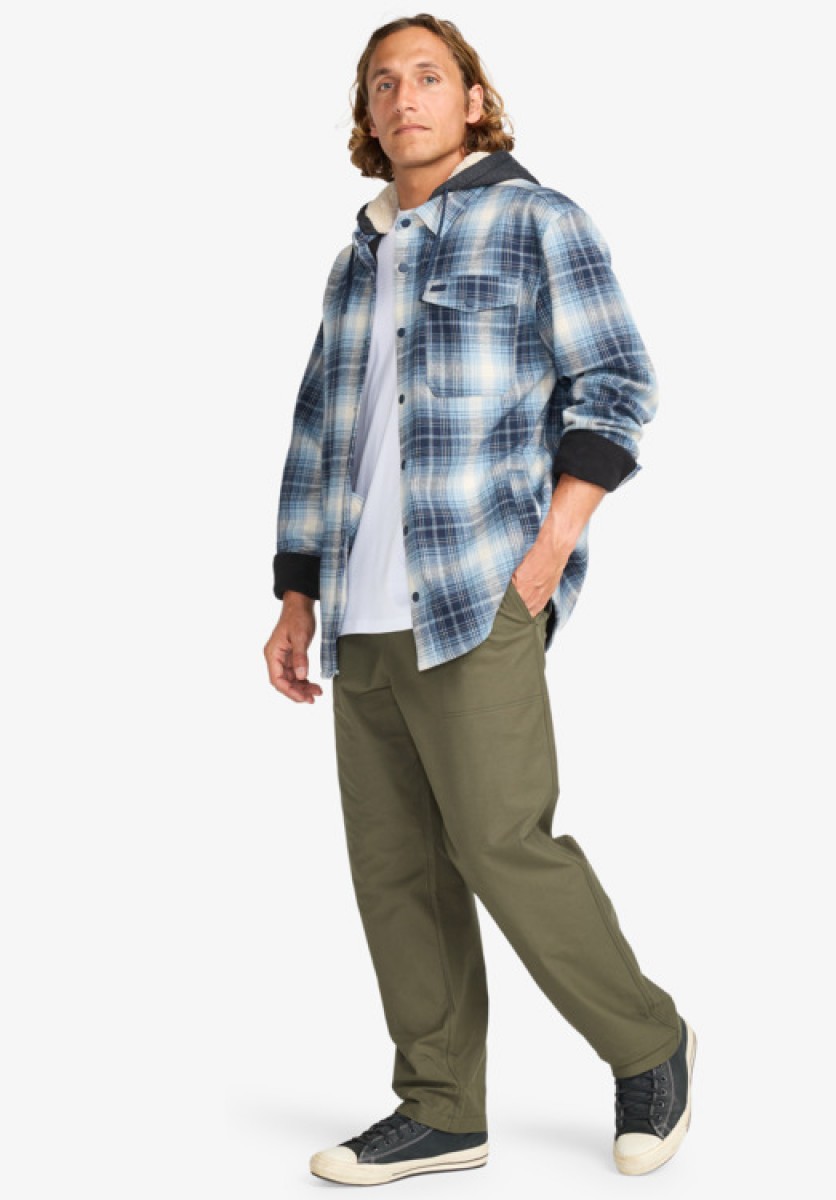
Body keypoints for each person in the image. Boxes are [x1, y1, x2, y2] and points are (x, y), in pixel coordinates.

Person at [263, 13, 696, 1186]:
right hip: (361, 613)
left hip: (475, 591)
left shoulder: (536, 219)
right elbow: (321, 433)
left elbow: (617, 381)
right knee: (395, 867)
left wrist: (549, 550)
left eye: (427, 76)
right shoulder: (356, 260)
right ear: (367, 114)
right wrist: (297, 593)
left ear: (472, 99)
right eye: (381, 82)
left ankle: (649, 1043)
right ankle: (443, 1105)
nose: (403, 97)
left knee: (502, 843)